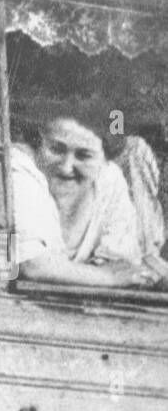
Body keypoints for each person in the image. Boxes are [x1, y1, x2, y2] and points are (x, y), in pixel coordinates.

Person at [11, 110, 168, 288]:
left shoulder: (109, 178)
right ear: (38, 144)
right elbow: (32, 265)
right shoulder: (19, 166)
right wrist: (110, 278)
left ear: (104, 158)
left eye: (83, 155)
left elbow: (122, 263)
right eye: (56, 150)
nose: (66, 167)